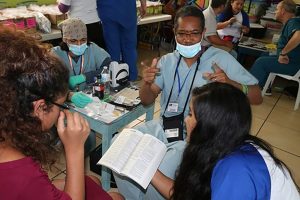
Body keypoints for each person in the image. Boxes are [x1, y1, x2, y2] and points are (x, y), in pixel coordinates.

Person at [113, 5, 262, 200]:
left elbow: (257, 96)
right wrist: (146, 83)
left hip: (198, 137)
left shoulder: (220, 59)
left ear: (203, 33)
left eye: (194, 34)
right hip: (166, 126)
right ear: (174, 32)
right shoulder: (167, 61)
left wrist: (231, 83)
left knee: (158, 170)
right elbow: (147, 100)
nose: (187, 39)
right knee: (120, 146)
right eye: (182, 33)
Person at [0, 26, 123, 200]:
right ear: (40, 108)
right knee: (117, 197)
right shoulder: (25, 177)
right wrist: (74, 149)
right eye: (60, 104)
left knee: (92, 180)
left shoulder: (8, 134)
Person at [154, 82, 300, 199]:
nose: (186, 119)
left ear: (210, 125)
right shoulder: (226, 145)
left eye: (191, 114)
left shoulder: (236, 170)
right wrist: (150, 171)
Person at [52, 18, 111, 155]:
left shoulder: (92, 49)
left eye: (83, 40)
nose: (79, 44)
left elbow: (108, 66)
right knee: (82, 139)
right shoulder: (54, 55)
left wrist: (85, 77)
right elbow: (47, 85)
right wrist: (69, 94)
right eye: (73, 41)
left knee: (88, 143)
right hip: (61, 103)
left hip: (86, 98)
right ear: (65, 39)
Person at [250, 0, 300, 93]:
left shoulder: (293, 22)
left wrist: (283, 53)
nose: (274, 11)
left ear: (283, 11)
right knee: (265, 54)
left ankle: (251, 91)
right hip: (291, 61)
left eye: (277, 9)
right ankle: (265, 86)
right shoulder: (290, 22)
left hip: (293, 64)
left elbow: (298, 36)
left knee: (261, 63)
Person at [97, 0, 147, 81]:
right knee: (129, 47)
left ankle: (115, 79)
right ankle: (131, 77)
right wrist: (143, 4)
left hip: (107, 8)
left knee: (112, 48)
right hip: (127, 8)